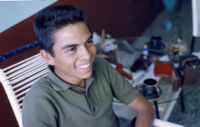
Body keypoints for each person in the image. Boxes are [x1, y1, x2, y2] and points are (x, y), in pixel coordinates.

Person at [22, 5, 155, 127]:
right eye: (71, 49)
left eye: (88, 42)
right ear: (47, 57)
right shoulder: (39, 101)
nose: (87, 55)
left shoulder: (101, 66)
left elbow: (145, 108)